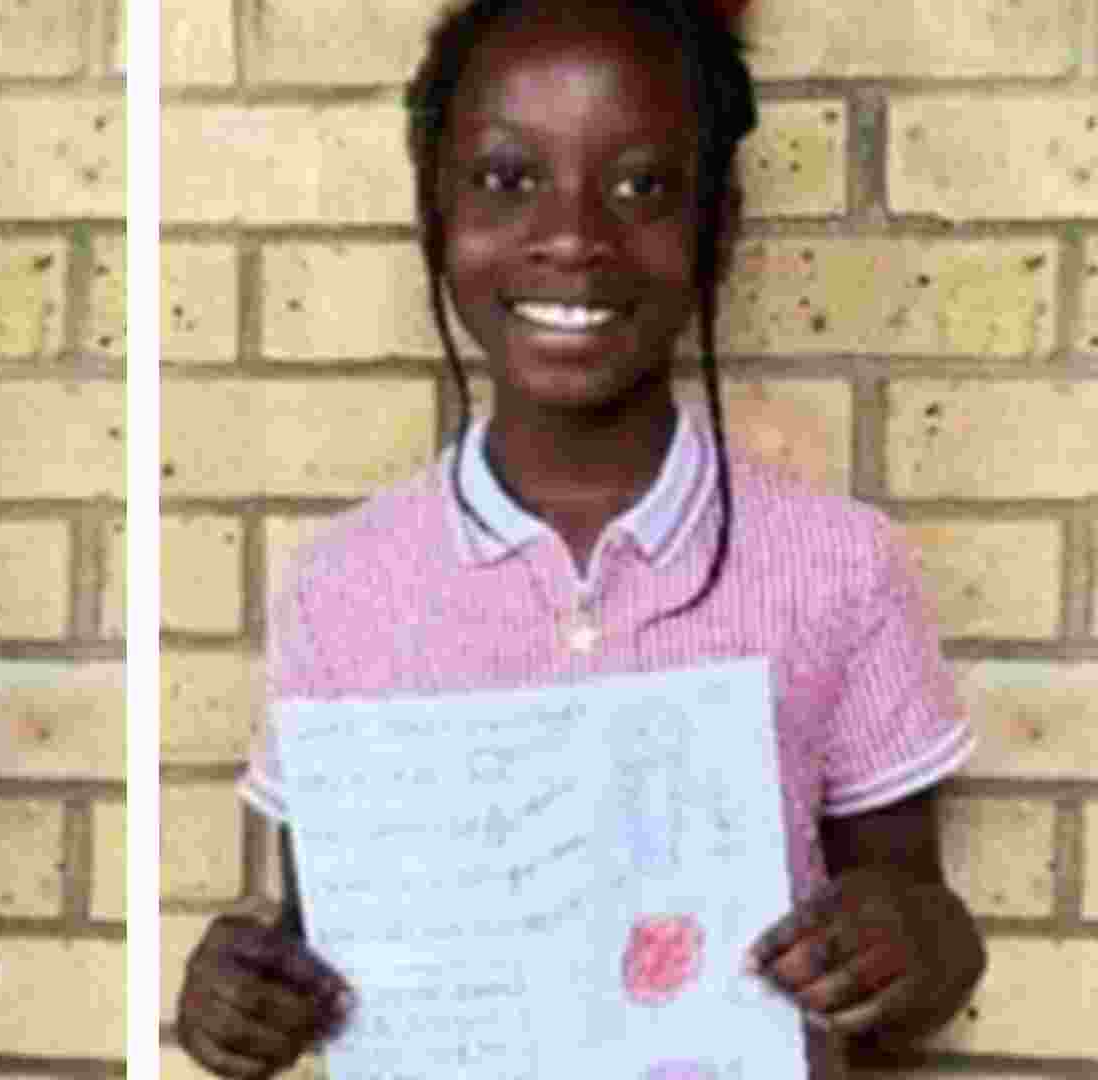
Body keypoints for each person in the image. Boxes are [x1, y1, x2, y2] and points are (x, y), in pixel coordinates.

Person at [174, 1, 986, 1076]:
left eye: (642, 186)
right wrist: (245, 996)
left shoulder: (838, 565)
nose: (572, 236)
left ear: (720, 227)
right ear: (434, 215)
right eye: (507, 179)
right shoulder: (344, 586)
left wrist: (914, 944)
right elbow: (331, 934)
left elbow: (926, 929)